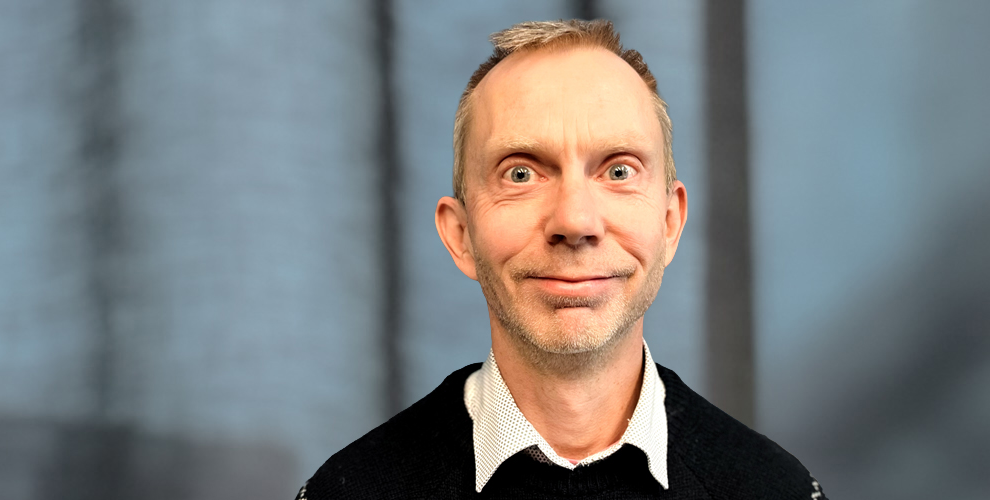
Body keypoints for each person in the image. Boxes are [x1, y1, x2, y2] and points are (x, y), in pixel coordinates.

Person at [298, 19, 826, 499]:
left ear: (670, 223)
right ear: (460, 235)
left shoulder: (778, 491)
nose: (575, 221)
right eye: (521, 173)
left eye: (618, 171)